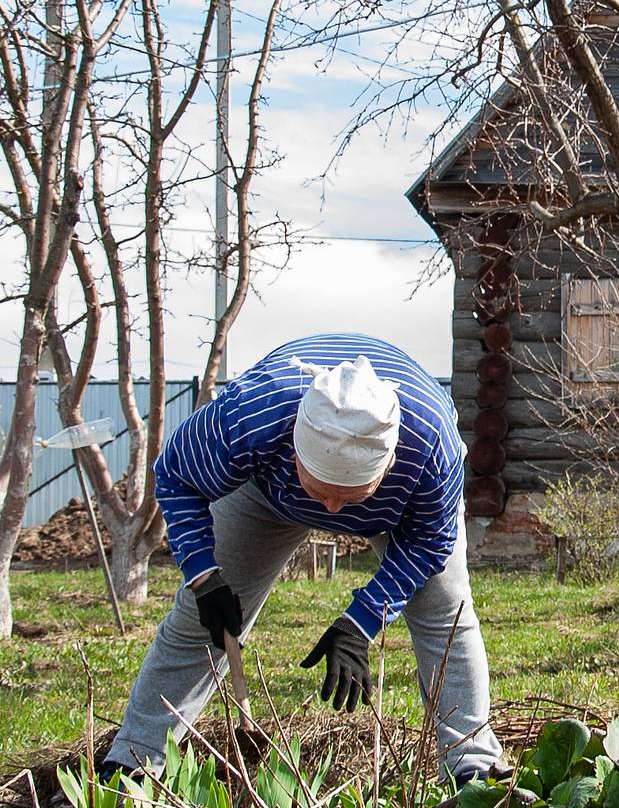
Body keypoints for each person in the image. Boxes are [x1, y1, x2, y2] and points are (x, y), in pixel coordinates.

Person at [101, 333, 504, 784]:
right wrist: (203, 577)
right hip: (269, 493)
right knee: (202, 622)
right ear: (295, 446)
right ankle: (133, 764)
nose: (330, 511)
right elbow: (175, 477)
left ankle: (475, 772)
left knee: (445, 613)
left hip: (397, 510)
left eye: (348, 495)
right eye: (320, 489)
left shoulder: (433, 449)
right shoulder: (253, 413)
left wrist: (362, 621)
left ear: (387, 465)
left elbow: (431, 542)